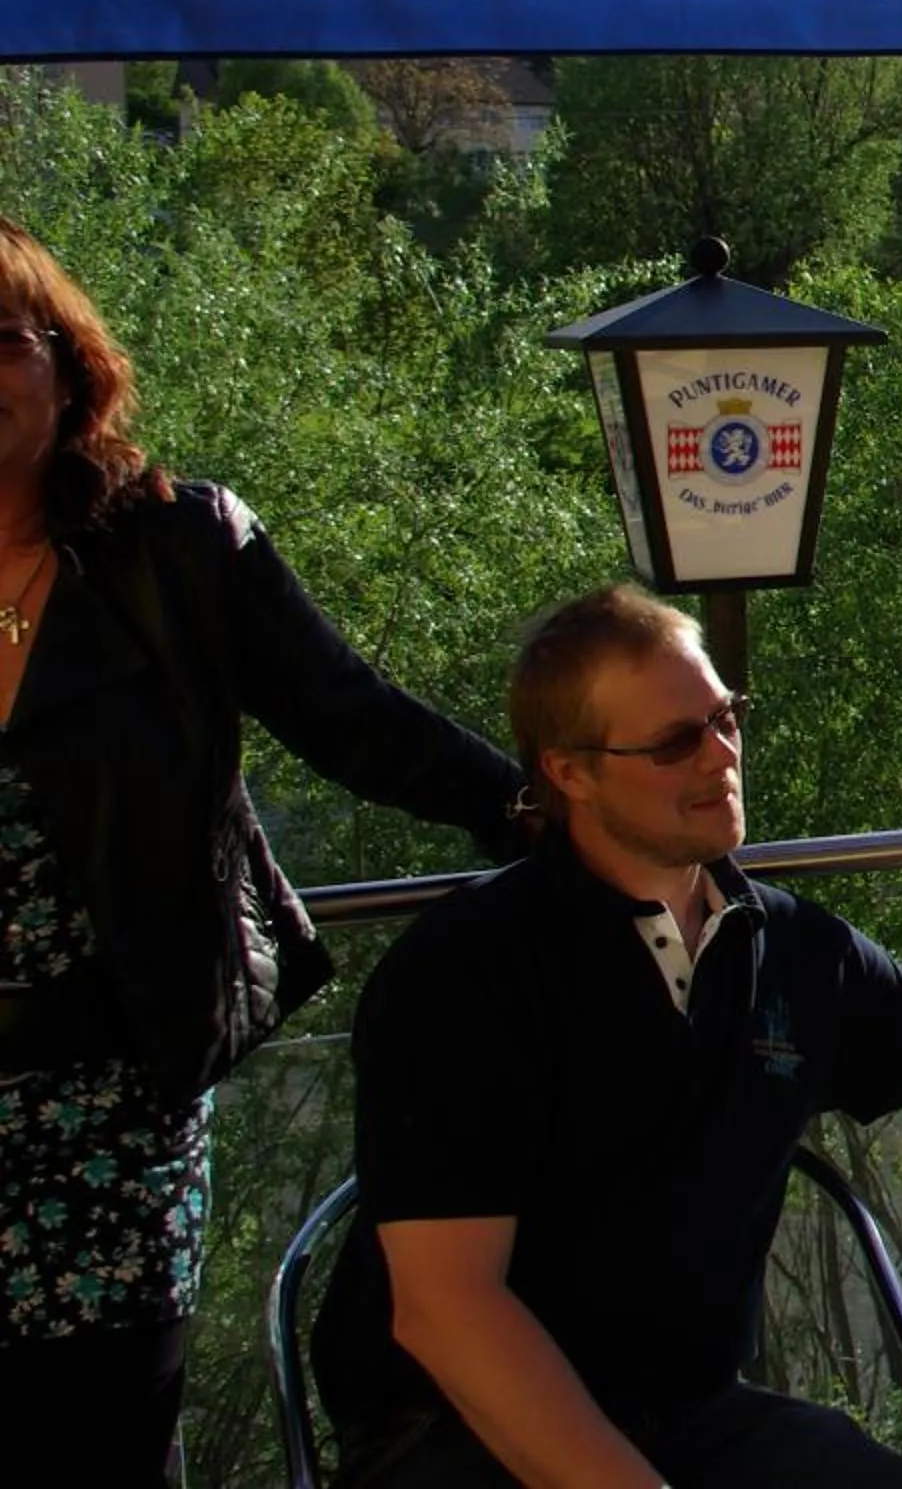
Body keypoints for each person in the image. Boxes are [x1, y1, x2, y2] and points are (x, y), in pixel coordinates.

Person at [317, 584, 902, 1488]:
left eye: (727, 718)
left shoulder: (787, 947)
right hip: (462, 1435)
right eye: (676, 740)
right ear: (569, 771)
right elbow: (448, 1309)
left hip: (697, 1417)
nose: (720, 756)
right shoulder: (466, 972)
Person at [0, 217, 524, 1487]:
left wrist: (547, 811)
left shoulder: (176, 548)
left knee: (105, 1441)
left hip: (109, 1107)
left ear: (66, 366)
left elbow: (355, 721)